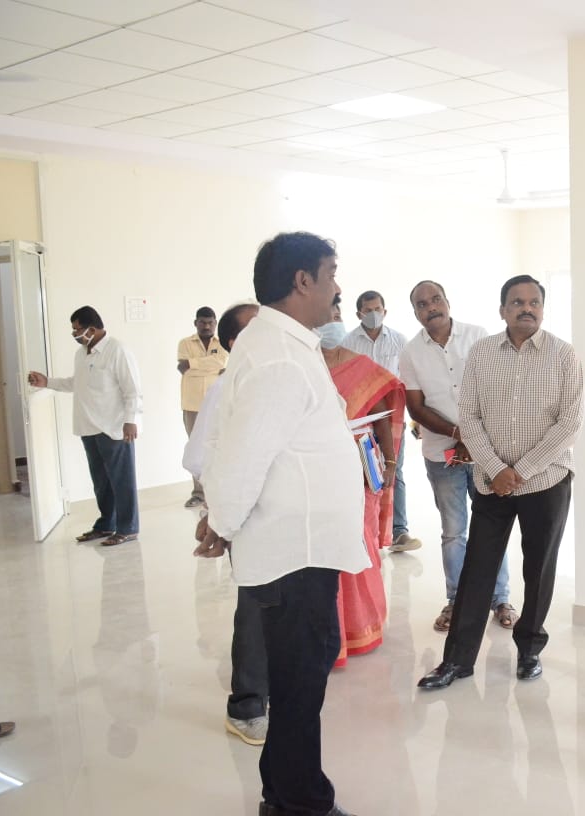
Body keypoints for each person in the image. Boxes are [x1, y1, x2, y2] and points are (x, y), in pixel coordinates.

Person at [198, 231, 367, 816]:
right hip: (294, 552)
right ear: (303, 281)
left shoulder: (281, 344)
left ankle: (282, 792)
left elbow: (238, 440)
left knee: (300, 678)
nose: (338, 287)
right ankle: (302, 803)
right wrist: (221, 518)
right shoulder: (276, 355)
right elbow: (244, 452)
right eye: (331, 274)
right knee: (299, 686)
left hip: (300, 546)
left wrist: (220, 516)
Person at [418, 274, 584, 690]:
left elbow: (569, 424)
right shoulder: (482, 352)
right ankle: (457, 661)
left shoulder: (564, 356)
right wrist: (497, 469)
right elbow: (468, 418)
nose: (525, 308)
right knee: (478, 569)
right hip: (492, 483)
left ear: (543, 308)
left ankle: (529, 651)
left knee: (539, 569)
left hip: (545, 482)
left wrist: (521, 470)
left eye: (533, 302)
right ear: (502, 310)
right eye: (516, 302)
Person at [399, 280, 516, 634]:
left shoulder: (479, 337)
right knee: (454, 532)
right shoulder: (410, 353)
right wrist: (458, 434)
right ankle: (456, 600)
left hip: (486, 455)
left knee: (492, 526)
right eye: (423, 303)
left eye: (436, 299)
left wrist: (475, 438)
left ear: (447, 302)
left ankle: (500, 599)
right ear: (416, 312)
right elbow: (415, 406)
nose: (431, 306)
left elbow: (496, 389)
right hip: (441, 455)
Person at [184, 301, 267, 746]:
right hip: (248, 517)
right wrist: (216, 520)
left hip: (284, 517)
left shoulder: (274, 378)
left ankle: (273, 691)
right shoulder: (225, 388)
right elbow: (200, 458)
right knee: (255, 607)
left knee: (281, 607)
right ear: (235, 342)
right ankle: (247, 706)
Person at [318, 301, 404, 666]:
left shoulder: (364, 368)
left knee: (362, 543)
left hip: (360, 467)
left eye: (336, 316)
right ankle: (330, 634)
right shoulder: (304, 368)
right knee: (327, 551)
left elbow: (381, 418)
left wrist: (389, 462)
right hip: (318, 471)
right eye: (327, 318)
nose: (332, 323)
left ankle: (363, 625)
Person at [28, 305, 142, 548]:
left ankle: (128, 528)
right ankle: (105, 524)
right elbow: (75, 383)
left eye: (77, 330)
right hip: (88, 427)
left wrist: (131, 420)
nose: (75, 334)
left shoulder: (117, 350)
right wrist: (47, 382)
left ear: (92, 328)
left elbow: (132, 389)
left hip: (114, 428)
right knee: (101, 481)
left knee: (122, 481)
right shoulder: (82, 353)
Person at [341, 289, 421, 553]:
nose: (374, 314)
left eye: (378, 309)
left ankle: (399, 531)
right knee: (360, 472)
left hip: (392, 417)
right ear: (359, 314)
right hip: (360, 418)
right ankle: (363, 531)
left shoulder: (399, 341)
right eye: (368, 310)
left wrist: (415, 419)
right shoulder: (348, 342)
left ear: (385, 311)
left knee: (393, 469)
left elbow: (409, 381)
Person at [177, 305, 227, 508]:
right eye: (202, 322)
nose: (206, 326)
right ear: (195, 323)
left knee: (219, 444)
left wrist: (194, 364)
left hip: (217, 403)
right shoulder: (185, 343)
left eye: (210, 323)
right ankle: (198, 493)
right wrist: (212, 366)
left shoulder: (222, 342)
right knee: (195, 447)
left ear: (215, 324)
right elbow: (183, 368)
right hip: (192, 404)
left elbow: (221, 361)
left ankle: (217, 489)